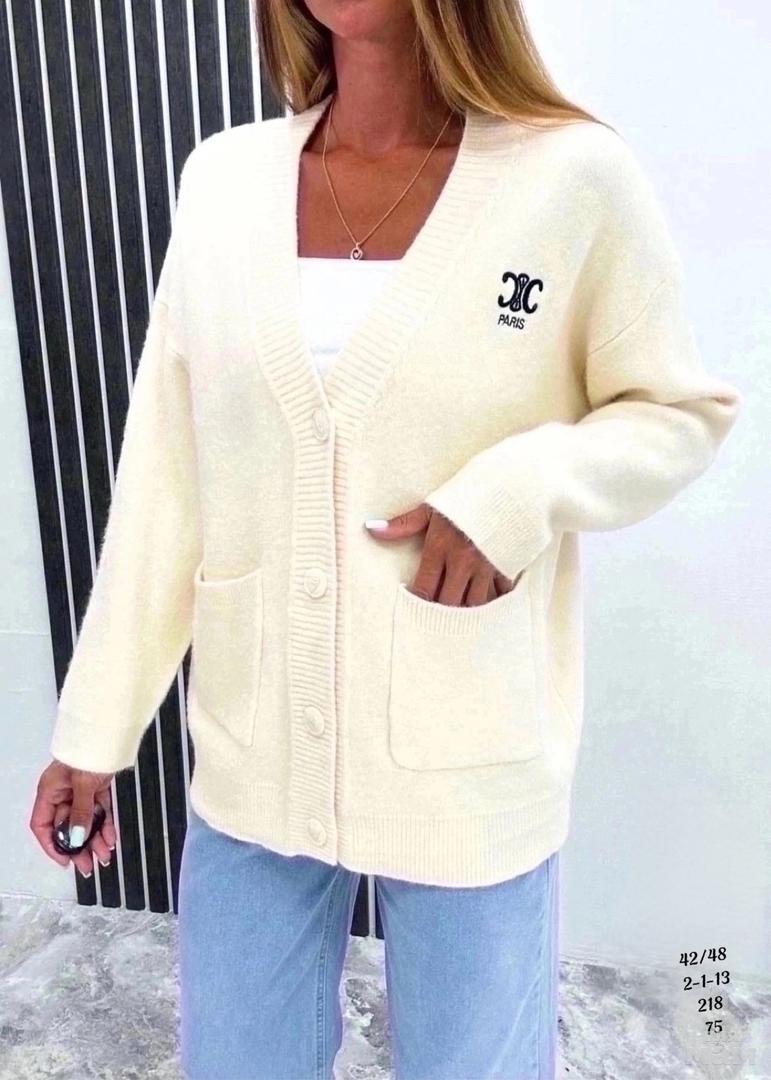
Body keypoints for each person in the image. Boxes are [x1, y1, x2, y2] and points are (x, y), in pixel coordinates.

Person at [29, 1, 742, 1077]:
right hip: (255, 746)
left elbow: (677, 412)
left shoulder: (571, 177)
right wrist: (96, 727)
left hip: (469, 752)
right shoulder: (224, 180)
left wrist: (517, 492)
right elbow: (165, 479)